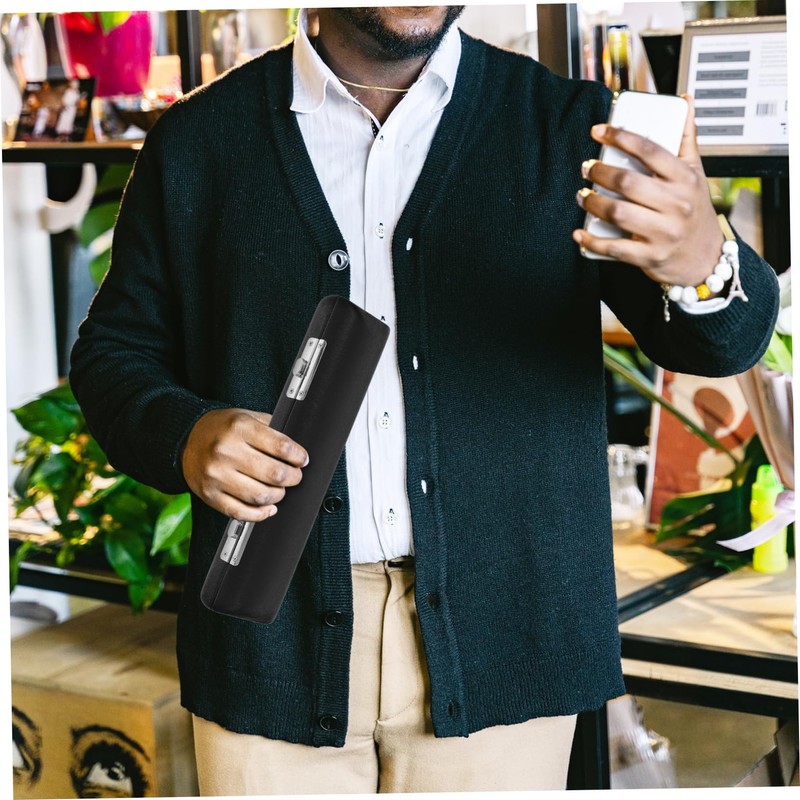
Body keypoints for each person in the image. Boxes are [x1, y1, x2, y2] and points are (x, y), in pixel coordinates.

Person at [69, 6, 780, 794]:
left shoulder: (571, 129)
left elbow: (723, 344)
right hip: (271, 651)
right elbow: (112, 356)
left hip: (505, 643)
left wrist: (702, 260)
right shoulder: (199, 139)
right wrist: (188, 434)